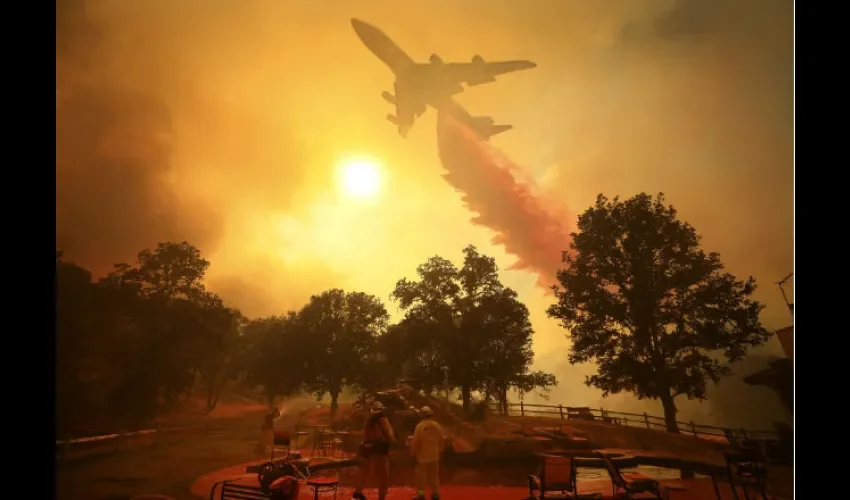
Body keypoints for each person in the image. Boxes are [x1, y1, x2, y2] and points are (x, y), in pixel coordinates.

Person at [353, 401, 396, 500]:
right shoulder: (383, 420)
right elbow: (390, 435)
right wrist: (393, 444)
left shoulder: (368, 420)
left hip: (366, 450)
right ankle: (381, 498)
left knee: (364, 473)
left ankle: (357, 492)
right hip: (379, 451)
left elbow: (363, 434)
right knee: (383, 477)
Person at [410, 406, 444, 500]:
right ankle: (435, 494)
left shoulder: (420, 426)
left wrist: (412, 453)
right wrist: (440, 451)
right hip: (434, 456)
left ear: (421, 415)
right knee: (434, 477)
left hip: (422, 457)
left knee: (421, 479)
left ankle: (421, 495)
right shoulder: (437, 425)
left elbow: (416, 441)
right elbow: (442, 440)